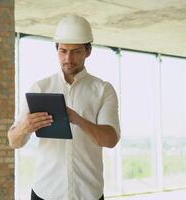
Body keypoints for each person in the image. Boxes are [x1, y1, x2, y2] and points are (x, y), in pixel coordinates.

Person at [8, 14, 120, 200]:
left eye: (76, 51)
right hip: (45, 191)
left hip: (89, 193)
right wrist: (24, 127)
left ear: (88, 51)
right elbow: (14, 142)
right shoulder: (40, 88)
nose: (69, 58)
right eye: (63, 51)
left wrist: (77, 119)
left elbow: (111, 140)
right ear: (57, 50)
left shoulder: (103, 90)